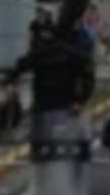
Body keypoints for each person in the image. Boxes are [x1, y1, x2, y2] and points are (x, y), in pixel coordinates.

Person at [7, 18, 96, 161]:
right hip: (47, 108)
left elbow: (88, 74)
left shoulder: (62, 52)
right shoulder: (45, 52)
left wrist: (81, 100)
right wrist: (10, 84)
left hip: (63, 108)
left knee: (64, 150)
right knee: (45, 151)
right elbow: (18, 67)